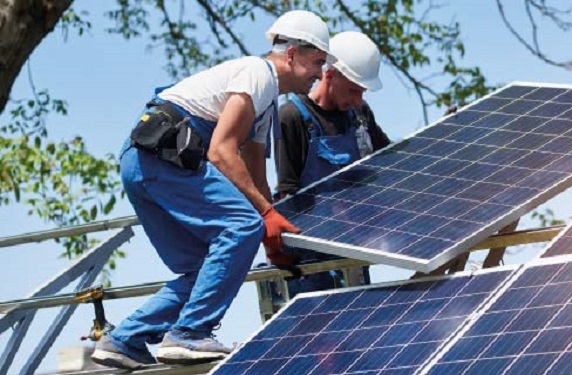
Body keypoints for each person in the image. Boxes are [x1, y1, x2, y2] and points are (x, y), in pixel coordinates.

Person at [91, 10, 332, 370]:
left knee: (208, 270)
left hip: (142, 161)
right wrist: (263, 218)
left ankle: (124, 339)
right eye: (317, 63)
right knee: (240, 227)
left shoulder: (265, 102)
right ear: (292, 54)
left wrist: (271, 233)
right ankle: (188, 333)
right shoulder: (258, 74)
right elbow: (221, 152)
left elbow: (254, 171)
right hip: (165, 157)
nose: (319, 74)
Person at [274, 31, 390, 297]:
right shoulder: (292, 117)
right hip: (310, 259)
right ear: (330, 75)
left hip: (352, 246)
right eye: (353, 90)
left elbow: (391, 161)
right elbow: (287, 197)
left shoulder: (359, 114)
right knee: (321, 334)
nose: (358, 100)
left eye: (362, 92)